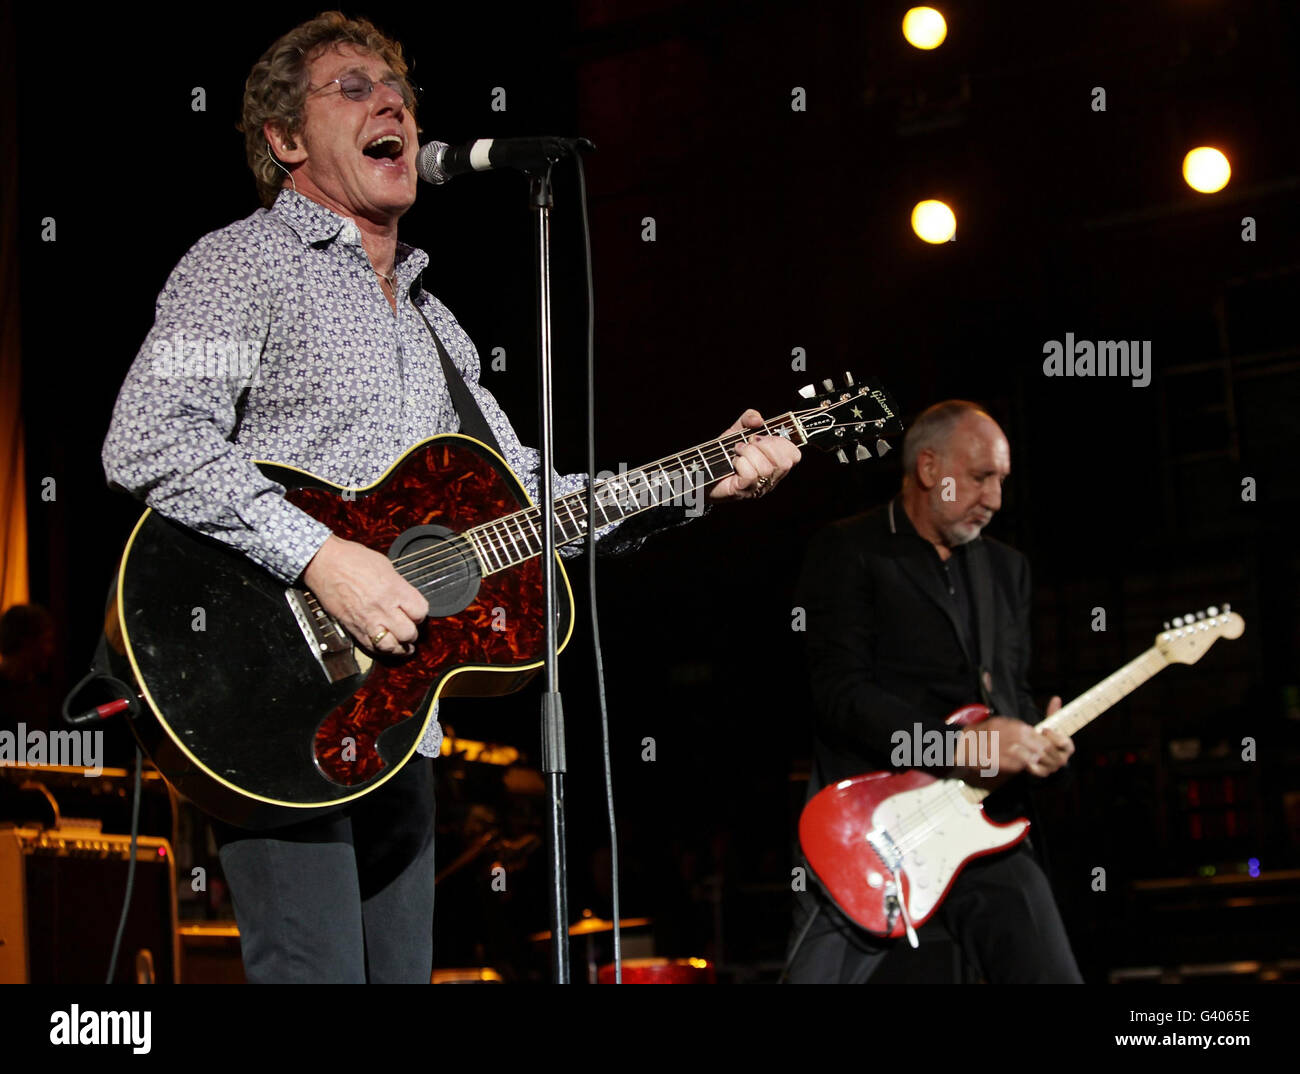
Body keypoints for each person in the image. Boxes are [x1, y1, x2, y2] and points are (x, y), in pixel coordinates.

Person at [100, 11, 799, 983]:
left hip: (399, 718)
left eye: (398, 87)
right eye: (352, 86)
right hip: (264, 692)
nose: (391, 100)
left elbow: (533, 501)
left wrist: (700, 476)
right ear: (285, 140)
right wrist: (321, 557)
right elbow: (149, 439)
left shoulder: (438, 324)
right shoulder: (243, 266)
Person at [785, 399, 1081, 983]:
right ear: (928, 470)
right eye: (980, 477)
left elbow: (1007, 692)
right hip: (872, 829)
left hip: (983, 825)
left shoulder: (1006, 568)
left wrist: (1035, 739)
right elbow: (841, 697)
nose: (995, 499)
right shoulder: (850, 550)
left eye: (1001, 480)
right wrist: (958, 748)